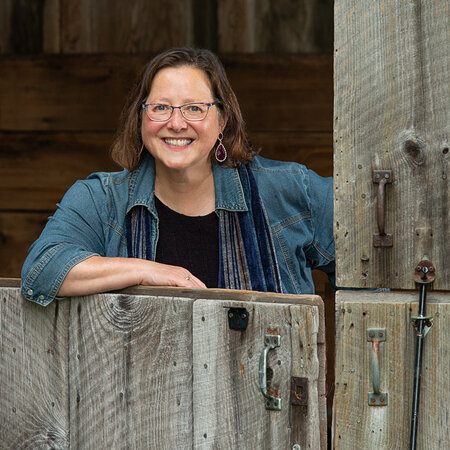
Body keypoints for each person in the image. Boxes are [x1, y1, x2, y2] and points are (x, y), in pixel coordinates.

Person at [21, 47, 334, 306]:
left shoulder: (289, 189)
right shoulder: (101, 199)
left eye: (194, 108)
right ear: (141, 117)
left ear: (222, 120)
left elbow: (361, 260)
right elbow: (42, 269)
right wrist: (147, 272)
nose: (176, 123)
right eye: (160, 107)